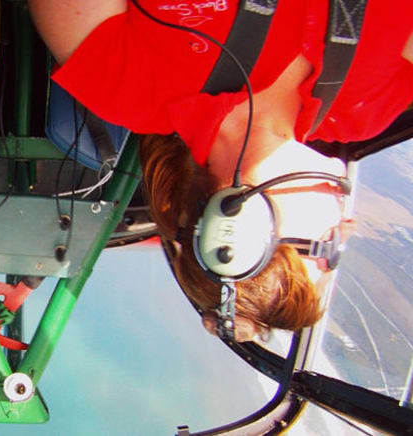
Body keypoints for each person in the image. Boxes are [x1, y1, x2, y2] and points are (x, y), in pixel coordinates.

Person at [29, 0, 413, 341]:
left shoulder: (125, 86)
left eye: (327, 250)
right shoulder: (363, 113)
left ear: (237, 226)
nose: (349, 229)